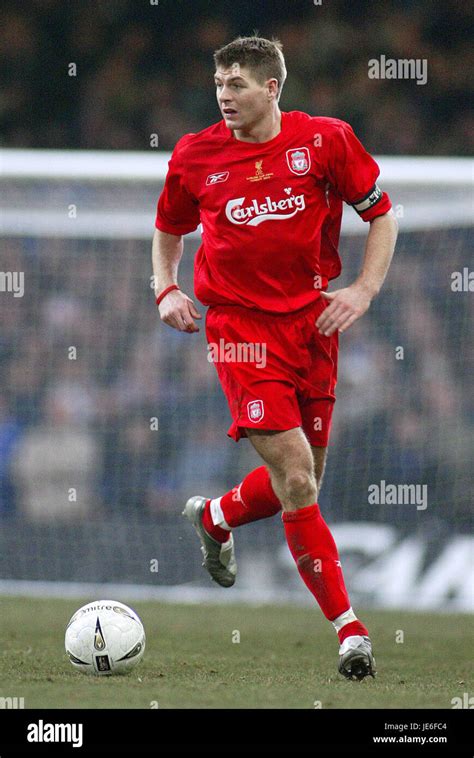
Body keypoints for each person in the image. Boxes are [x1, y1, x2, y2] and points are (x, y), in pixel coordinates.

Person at [152, 36, 398, 680]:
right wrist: (166, 288)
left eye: (236, 84)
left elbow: (383, 215)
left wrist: (364, 290)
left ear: (272, 88)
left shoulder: (324, 142)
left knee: (307, 479)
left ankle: (216, 514)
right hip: (239, 329)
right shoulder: (195, 154)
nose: (224, 96)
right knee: (295, 475)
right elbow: (169, 229)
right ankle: (351, 632)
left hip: (314, 325)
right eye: (219, 84)